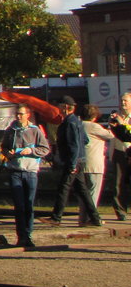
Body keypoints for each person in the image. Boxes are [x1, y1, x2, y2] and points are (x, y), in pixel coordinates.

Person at [0, 104, 50, 249]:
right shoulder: (10, 130)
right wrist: (8, 153)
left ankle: (28, 235)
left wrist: (31, 151)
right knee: (19, 205)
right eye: (17, 114)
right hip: (15, 171)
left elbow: (45, 149)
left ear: (28, 115)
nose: (18, 116)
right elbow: (4, 147)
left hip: (30, 171)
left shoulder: (35, 131)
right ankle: (21, 236)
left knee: (29, 204)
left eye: (21, 114)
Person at [47, 96, 102, 227]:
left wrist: (72, 164)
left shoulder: (70, 123)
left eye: (60, 106)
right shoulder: (76, 121)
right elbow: (85, 140)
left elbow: (74, 145)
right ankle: (95, 218)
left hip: (73, 161)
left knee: (64, 188)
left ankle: (56, 217)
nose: (58, 108)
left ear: (65, 107)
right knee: (82, 190)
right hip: (79, 160)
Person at [79, 104, 115, 226]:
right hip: (94, 164)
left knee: (83, 195)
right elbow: (110, 135)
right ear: (94, 116)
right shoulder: (94, 126)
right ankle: (92, 218)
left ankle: (82, 219)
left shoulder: (79, 125)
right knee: (93, 193)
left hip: (81, 164)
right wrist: (113, 125)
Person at [108, 91, 131, 221]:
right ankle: (120, 211)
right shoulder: (116, 117)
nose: (123, 103)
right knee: (119, 183)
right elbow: (112, 134)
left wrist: (122, 125)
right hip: (119, 152)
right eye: (121, 100)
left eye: (125, 101)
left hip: (130, 151)